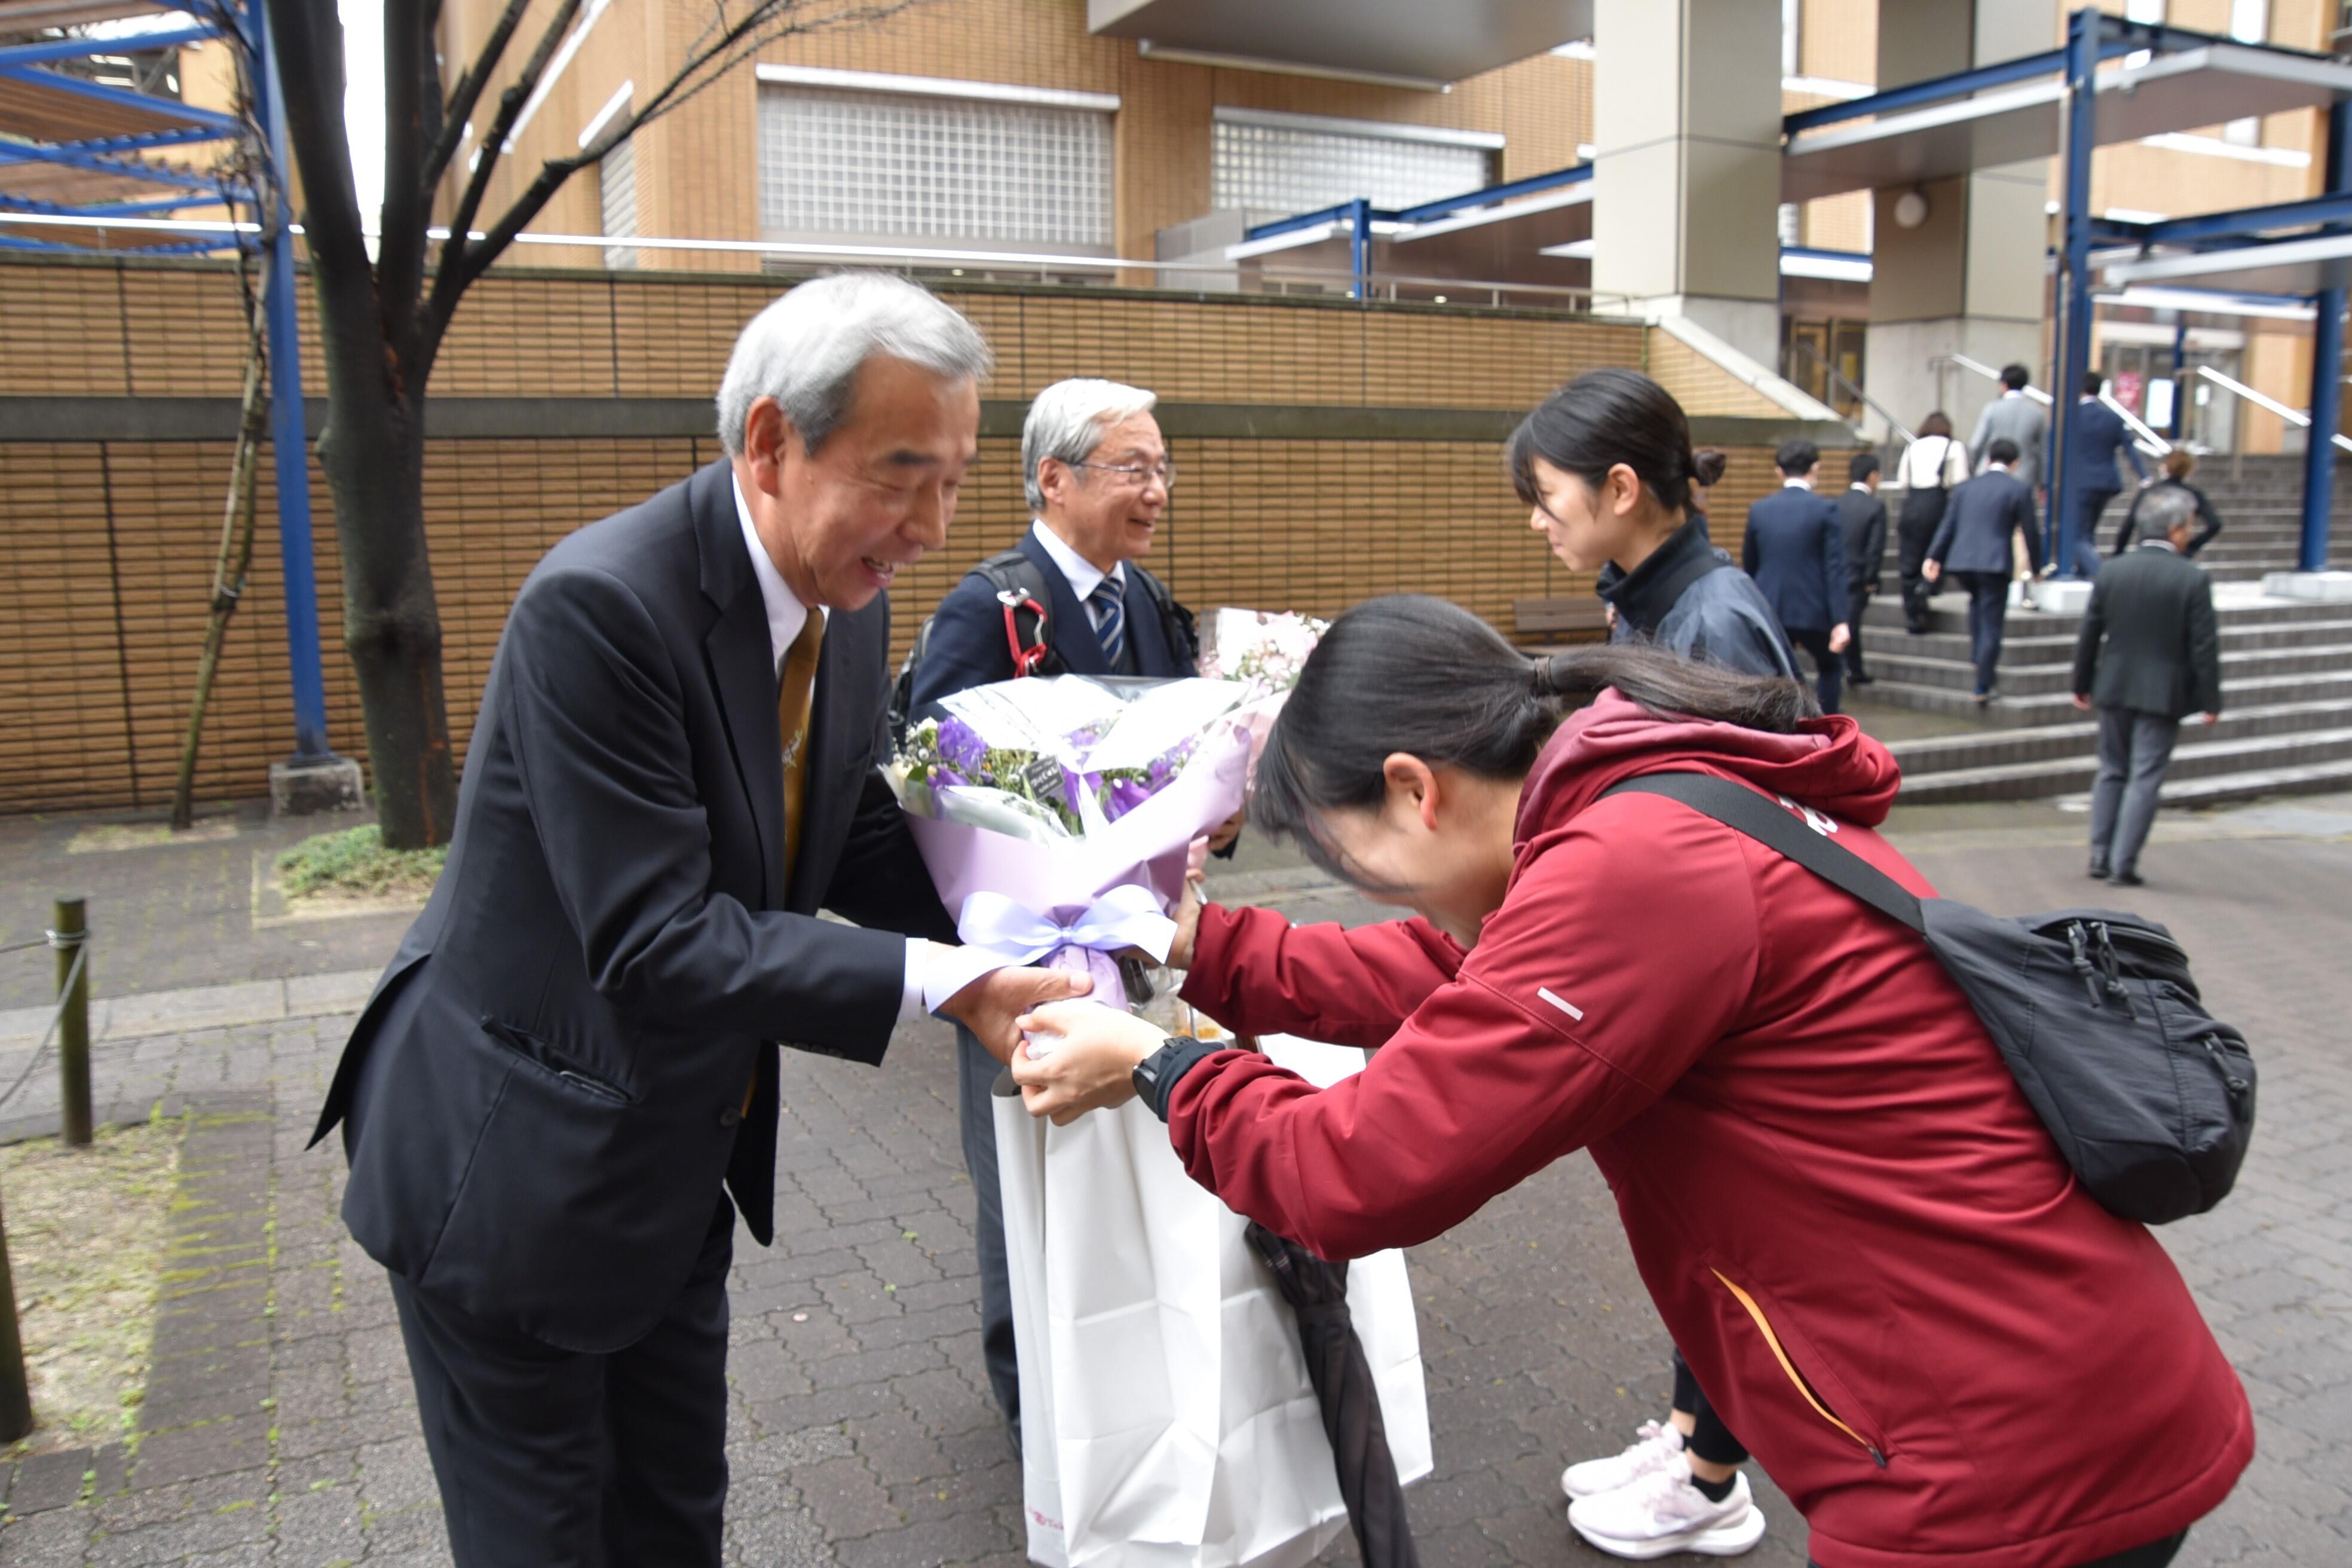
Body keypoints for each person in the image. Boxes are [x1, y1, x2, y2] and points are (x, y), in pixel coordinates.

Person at [1008, 595, 2253, 1568]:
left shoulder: (1632, 868)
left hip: (1997, 1446)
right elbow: (1462, 983)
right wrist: (1201, 947)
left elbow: (1356, 1168)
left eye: (1349, 863)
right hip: (2023, 1380)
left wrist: (1160, 1064)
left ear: (1412, 788)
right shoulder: (1633, 801)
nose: (1363, 889)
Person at [307, 273, 1089, 1566]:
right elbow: (656, 936)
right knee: (544, 1539)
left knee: (676, 1520)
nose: (932, 525)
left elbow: (843, 834)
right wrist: (950, 984)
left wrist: (1074, 899)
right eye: (903, 474)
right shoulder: (604, 607)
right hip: (513, 1169)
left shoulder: (846, 601)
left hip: (673, 1168)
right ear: (773, 441)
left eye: (956, 480)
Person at [907, 375, 1235, 1441]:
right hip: (1027, 952)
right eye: (1134, 468)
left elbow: (1174, 751)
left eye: (1162, 468)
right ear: (1054, 478)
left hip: (1137, 938)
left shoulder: (1142, 598)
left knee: (1120, 1154)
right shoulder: (987, 608)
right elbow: (934, 784)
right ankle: (1038, 1414)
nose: (1158, 490)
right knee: (1021, 1171)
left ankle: (1119, 1377)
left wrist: (1210, 811)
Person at [1528, 369, 1797, 681]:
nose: (1537, 521)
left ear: (1621, 489)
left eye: (1545, 495)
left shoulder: (1716, 624)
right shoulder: (1649, 600)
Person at [2073, 486, 2224, 886]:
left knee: (2111, 770)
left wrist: (2081, 683)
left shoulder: (2112, 571)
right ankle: (2124, 863)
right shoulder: (2191, 579)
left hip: (2115, 684)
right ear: (2175, 531)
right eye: (2189, 527)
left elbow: (2091, 632)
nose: (2191, 533)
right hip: (2163, 692)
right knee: (2145, 777)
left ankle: (2100, 855)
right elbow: (2204, 646)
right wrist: (2211, 699)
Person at [1925, 437, 2042, 703]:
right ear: (2015, 464)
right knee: (1991, 621)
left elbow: (1948, 525)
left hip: (1963, 562)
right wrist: (2036, 568)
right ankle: (1983, 682)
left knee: (1977, 609)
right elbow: (2031, 532)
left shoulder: (1966, 488)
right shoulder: (2019, 490)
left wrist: (1934, 556)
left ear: (1988, 460)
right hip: (1995, 563)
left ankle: (1980, 658)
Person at [1741, 438, 1851, 712]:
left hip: (1770, 607)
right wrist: (1841, 619)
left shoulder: (1759, 510)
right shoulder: (1826, 509)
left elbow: (1750, 563)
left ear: (1779, 471)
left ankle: (1773, 723)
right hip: (1815, 608)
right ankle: (1826, 724)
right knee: (1830, 666)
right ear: (1816, 468)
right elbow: (1835, 567)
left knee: (1770, 672)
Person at [1892, 411, 1970, 633]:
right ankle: (1927, 588)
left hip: (1912, 503)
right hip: (1938, 503)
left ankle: (1912, 615)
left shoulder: (1913, 446)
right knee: (1936, 552)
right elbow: (1960, 481)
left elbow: (1902, 481)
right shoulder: (1953, 447)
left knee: (1909, 560)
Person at [2066, 371, 2150, 576]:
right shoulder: (2112, 418)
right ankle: (2082, 573)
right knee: (2088, 532)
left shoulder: (2071, 416)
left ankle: (2101, 576)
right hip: (2106, 482)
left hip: (2080, 482)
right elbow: (2129, 447)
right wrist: (2143, 475)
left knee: (2076, 535)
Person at [1836, 451, 1887, 688]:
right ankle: (1848, 669)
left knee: (1845, 623)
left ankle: (1854, 669)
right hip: (1858, 577)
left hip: (1836, 574)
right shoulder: (1875, 507)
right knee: (1851, 625)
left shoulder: (1836, 503)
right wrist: (1871, 578)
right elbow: (1874, 549)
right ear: (1873, 475)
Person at [2114, 447, 2225, 557]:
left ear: (2165, 467)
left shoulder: (2148, 492)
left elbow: (2128, 526)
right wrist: (2191, 548)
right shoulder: (2193, 494)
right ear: (2189, 470)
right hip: (2176, 552)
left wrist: (2118, 553)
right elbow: (2215, 524)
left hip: (2147, 549)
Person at [1968, 362, 2047, 495]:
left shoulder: (1991, 409)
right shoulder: (2037, 414)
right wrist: (2043, 482)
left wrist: (1973, 466)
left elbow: (1976, 444)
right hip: (2024, 476)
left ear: (2004, 385)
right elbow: (2044, 451)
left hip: (1989, 476)